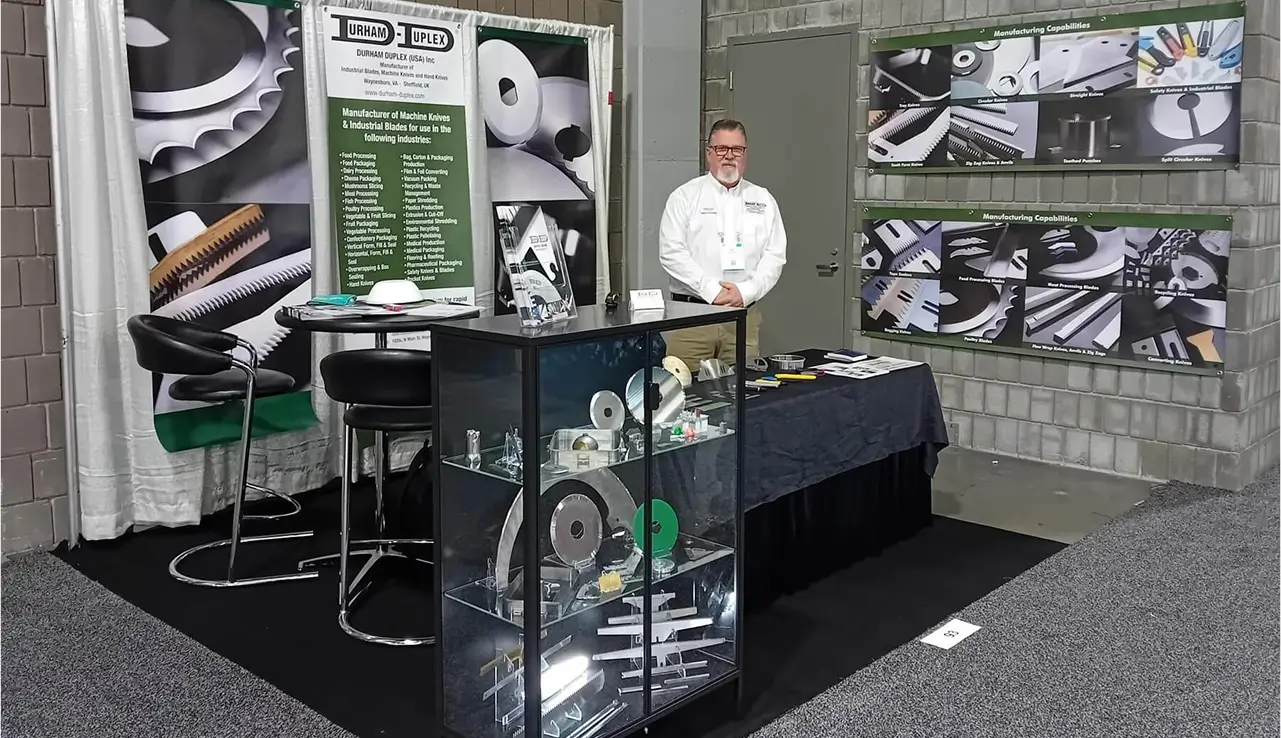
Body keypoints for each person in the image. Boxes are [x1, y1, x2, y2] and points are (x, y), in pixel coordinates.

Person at [658, 119, 787, 372]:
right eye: (721, 149)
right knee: (684, 394)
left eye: (736, 149)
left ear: (745, 154)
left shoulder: (763, 199)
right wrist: (711, 291)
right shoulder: (684, 197)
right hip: (692, 317)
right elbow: (671, 253)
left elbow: (775, 256)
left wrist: (746, 292)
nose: (729, 156)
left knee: (743, 394)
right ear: (709, 153)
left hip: (743, 319)